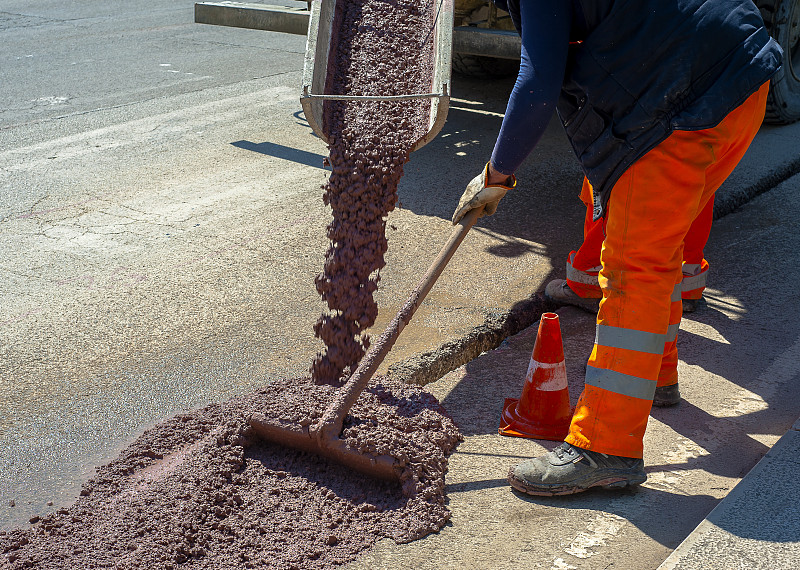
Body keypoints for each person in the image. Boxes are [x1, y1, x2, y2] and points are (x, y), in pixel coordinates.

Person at [451, 0, 781, 496]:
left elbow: (537, 83)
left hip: (677, 102)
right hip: (740, 80)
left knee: (633, 275)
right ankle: (658, 378)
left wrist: (497, 175)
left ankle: (604, 444)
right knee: (660, 248)